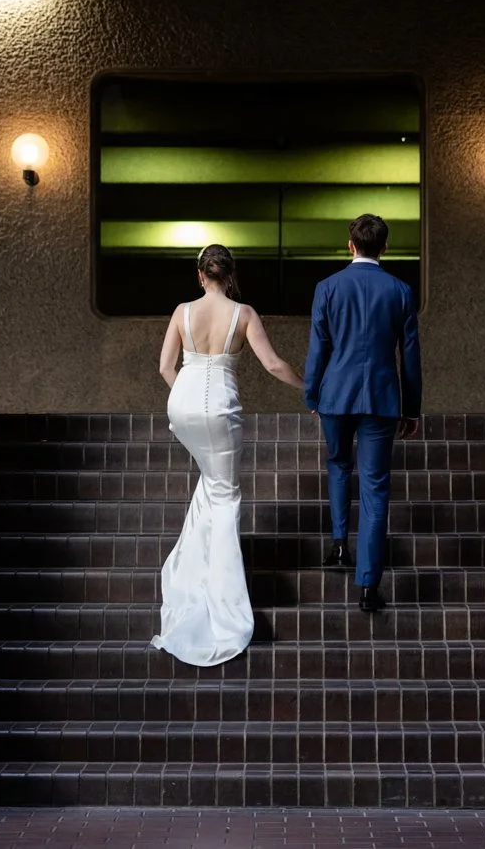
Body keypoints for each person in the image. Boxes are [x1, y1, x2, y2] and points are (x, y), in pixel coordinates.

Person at [151, 243, 305, 666]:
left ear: (200, 275)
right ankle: (221, 604)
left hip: (182, 408)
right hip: (219, 408)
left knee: (211, 484)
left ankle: (192, 573)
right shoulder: (245, 314)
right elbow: (273, 364)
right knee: (225, 495)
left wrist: (184, 397)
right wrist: (308, 387)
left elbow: (166, 367)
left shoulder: (182, 311)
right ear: (230, 276)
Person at [305, 213, 422, 614]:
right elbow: (409, 356)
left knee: (338, 463)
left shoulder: (328, 288)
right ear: (384, 247)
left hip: (335, 395)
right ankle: (369, 587)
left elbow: (319, 347)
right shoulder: (401, 291)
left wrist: (312, 394)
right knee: (375, 490)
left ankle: (339, 545)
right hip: (382, 399)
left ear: (350, 244)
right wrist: (412, 407)